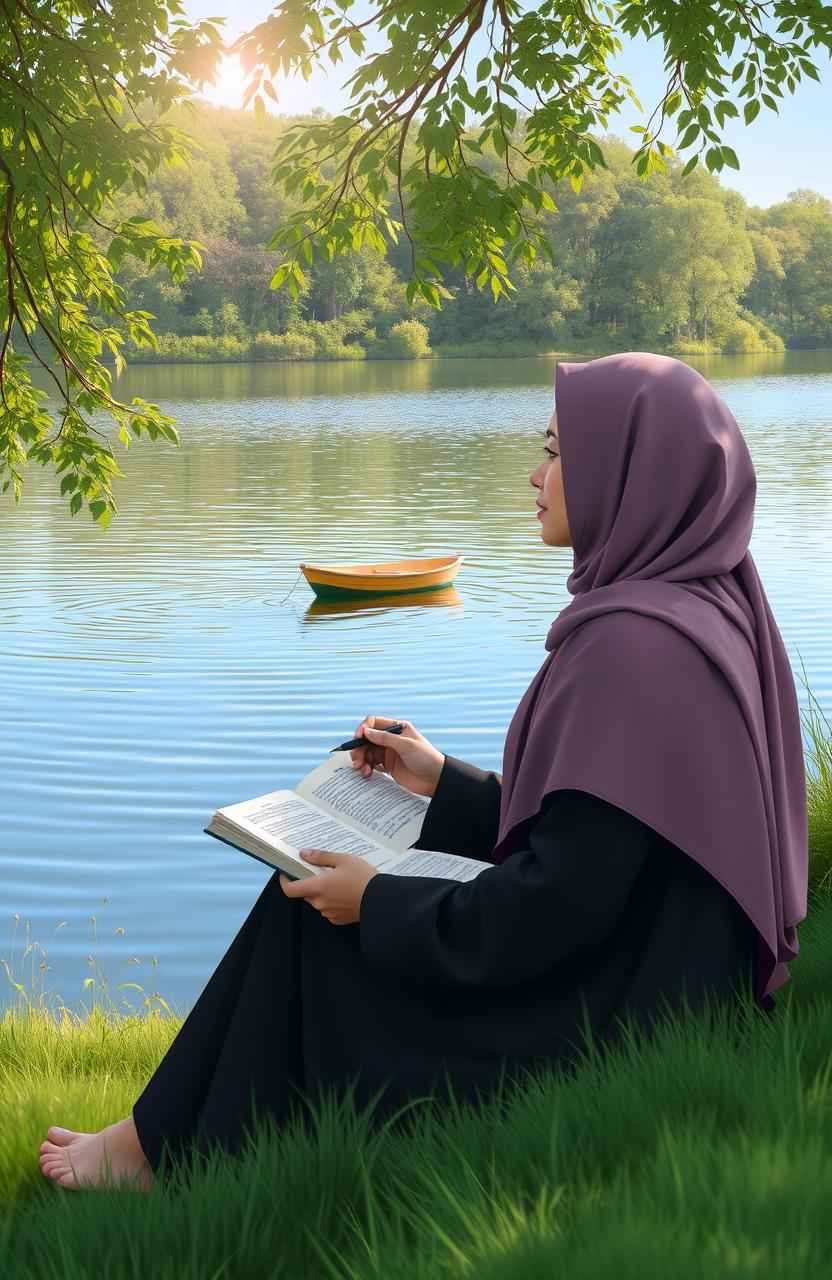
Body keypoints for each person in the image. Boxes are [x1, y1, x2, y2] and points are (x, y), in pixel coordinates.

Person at [38, 351, 808, 1194]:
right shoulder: (696, 605)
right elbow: (612, 834)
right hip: (653, 979)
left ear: (631, 471)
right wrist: (443, 781)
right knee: (320, 891)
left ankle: (160, 1158)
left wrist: (379, 901)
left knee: (314, 908)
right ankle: (156, 1139)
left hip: (605, 1020)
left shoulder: (632, 648)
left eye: (556, 451)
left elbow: (559, 907)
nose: (534, 474)